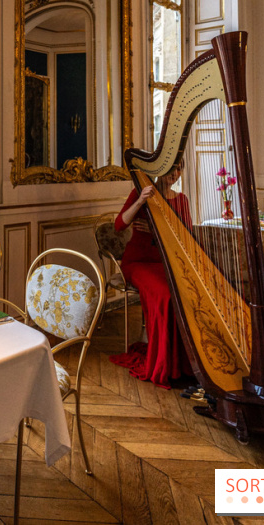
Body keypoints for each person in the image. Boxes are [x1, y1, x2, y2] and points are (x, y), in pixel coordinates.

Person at [109, 161, 194, 389]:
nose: (175, 175)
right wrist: (140, 201)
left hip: (166, 263)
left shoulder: (181, 200)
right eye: (171, 169)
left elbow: (186, 238)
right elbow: (119, 225)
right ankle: (164, 362)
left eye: (179, 170)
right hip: (137, 263)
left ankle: (186, 363)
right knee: (166, 295)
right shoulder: (140, 193)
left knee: (185, 292)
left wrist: (159, 235)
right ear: (160, 170)